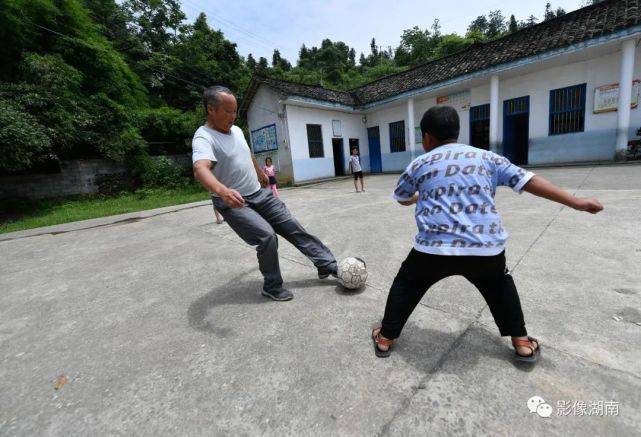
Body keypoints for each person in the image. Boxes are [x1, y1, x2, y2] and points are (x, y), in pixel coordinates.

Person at [371, 106, 603, 362]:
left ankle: (385, 338)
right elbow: (528, 180)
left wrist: (421, 195)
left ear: (426, 137)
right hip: (484, 249)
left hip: (433, 250)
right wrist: (575, 202)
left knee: (406, 284)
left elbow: (402, 198)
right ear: (456, 133)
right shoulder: (488, 158)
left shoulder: (419, 163)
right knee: (500, 286)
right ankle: (522, 342)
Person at [192, 86, 338, 301]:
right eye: (228, 111)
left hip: (258, 193)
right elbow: (200, 169)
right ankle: (272, 286)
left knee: (292, 226)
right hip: (235, 202)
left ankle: (327, 264)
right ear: (211, 109)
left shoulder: (237, 131)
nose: (233, 117)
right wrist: (222, 191)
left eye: (235, 112)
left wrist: (260, 172)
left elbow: (246, 152)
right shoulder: (204, 137)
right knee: (266, 236)